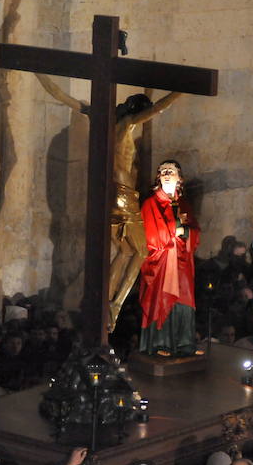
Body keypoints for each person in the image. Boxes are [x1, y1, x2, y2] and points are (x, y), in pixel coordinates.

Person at [34, 74, 184, 331]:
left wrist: (39, 73)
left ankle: (103, 301)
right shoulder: (127, 125)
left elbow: (60, 95)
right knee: (141, 252)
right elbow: (159, 108)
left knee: (124, 251)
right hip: (123, 196)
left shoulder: (99, 118)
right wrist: (181, 89)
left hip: (105, 195)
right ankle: (116, 304)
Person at [138, 160, 201, 357]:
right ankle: (161, 343)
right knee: (162, 299)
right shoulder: (151, 204)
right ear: (158, 177)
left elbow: (195, 232)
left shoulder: (184, 204)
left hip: (183, 263)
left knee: (184, 300)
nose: (166, 174)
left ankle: (184, 343)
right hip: (162, 263)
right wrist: (176, 229)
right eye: (163, 171)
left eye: (171, 171)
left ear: (179, 178)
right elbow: (151, 236)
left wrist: (185, 232)